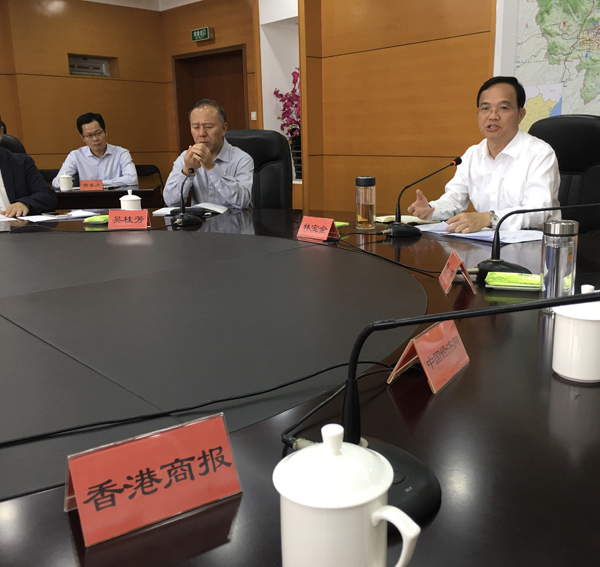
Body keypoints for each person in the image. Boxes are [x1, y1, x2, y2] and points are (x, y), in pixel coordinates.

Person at [408, 76, 560, 232]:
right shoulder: (472, 155)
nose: (492, 116)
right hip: (486, 241)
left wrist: (488, 218)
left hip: (534, 243)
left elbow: (537, 212)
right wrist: (431, 209)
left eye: (503, 108)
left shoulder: (540, 154)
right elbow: (454, 200)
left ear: (521, 114)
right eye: (485, 108)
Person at [163, 99, 253, 209]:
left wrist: (211, 167)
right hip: (199, 220)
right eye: (196, 127)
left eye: (209, 127)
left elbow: (243, 201)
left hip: (234, 219)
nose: (201, 133)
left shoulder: (242, 159)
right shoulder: (185, 158)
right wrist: (187, 170)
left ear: (223, 129)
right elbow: (171, 202)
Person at [52, 112, 137, 189]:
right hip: (87, 200)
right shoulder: (75, 156)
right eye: (89, 135)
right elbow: (56, 182)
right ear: (83, 138)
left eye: (98, 133)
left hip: (115, 199)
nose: (95, 139)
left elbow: (132, 179)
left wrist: (97, 184)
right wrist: (64, 183)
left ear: (105, 132)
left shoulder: (121, 153)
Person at [0, 128, 57, 217]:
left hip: (14, 223)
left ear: (0, 133)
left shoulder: (21, 163)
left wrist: (24, 204)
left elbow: (47, 195)